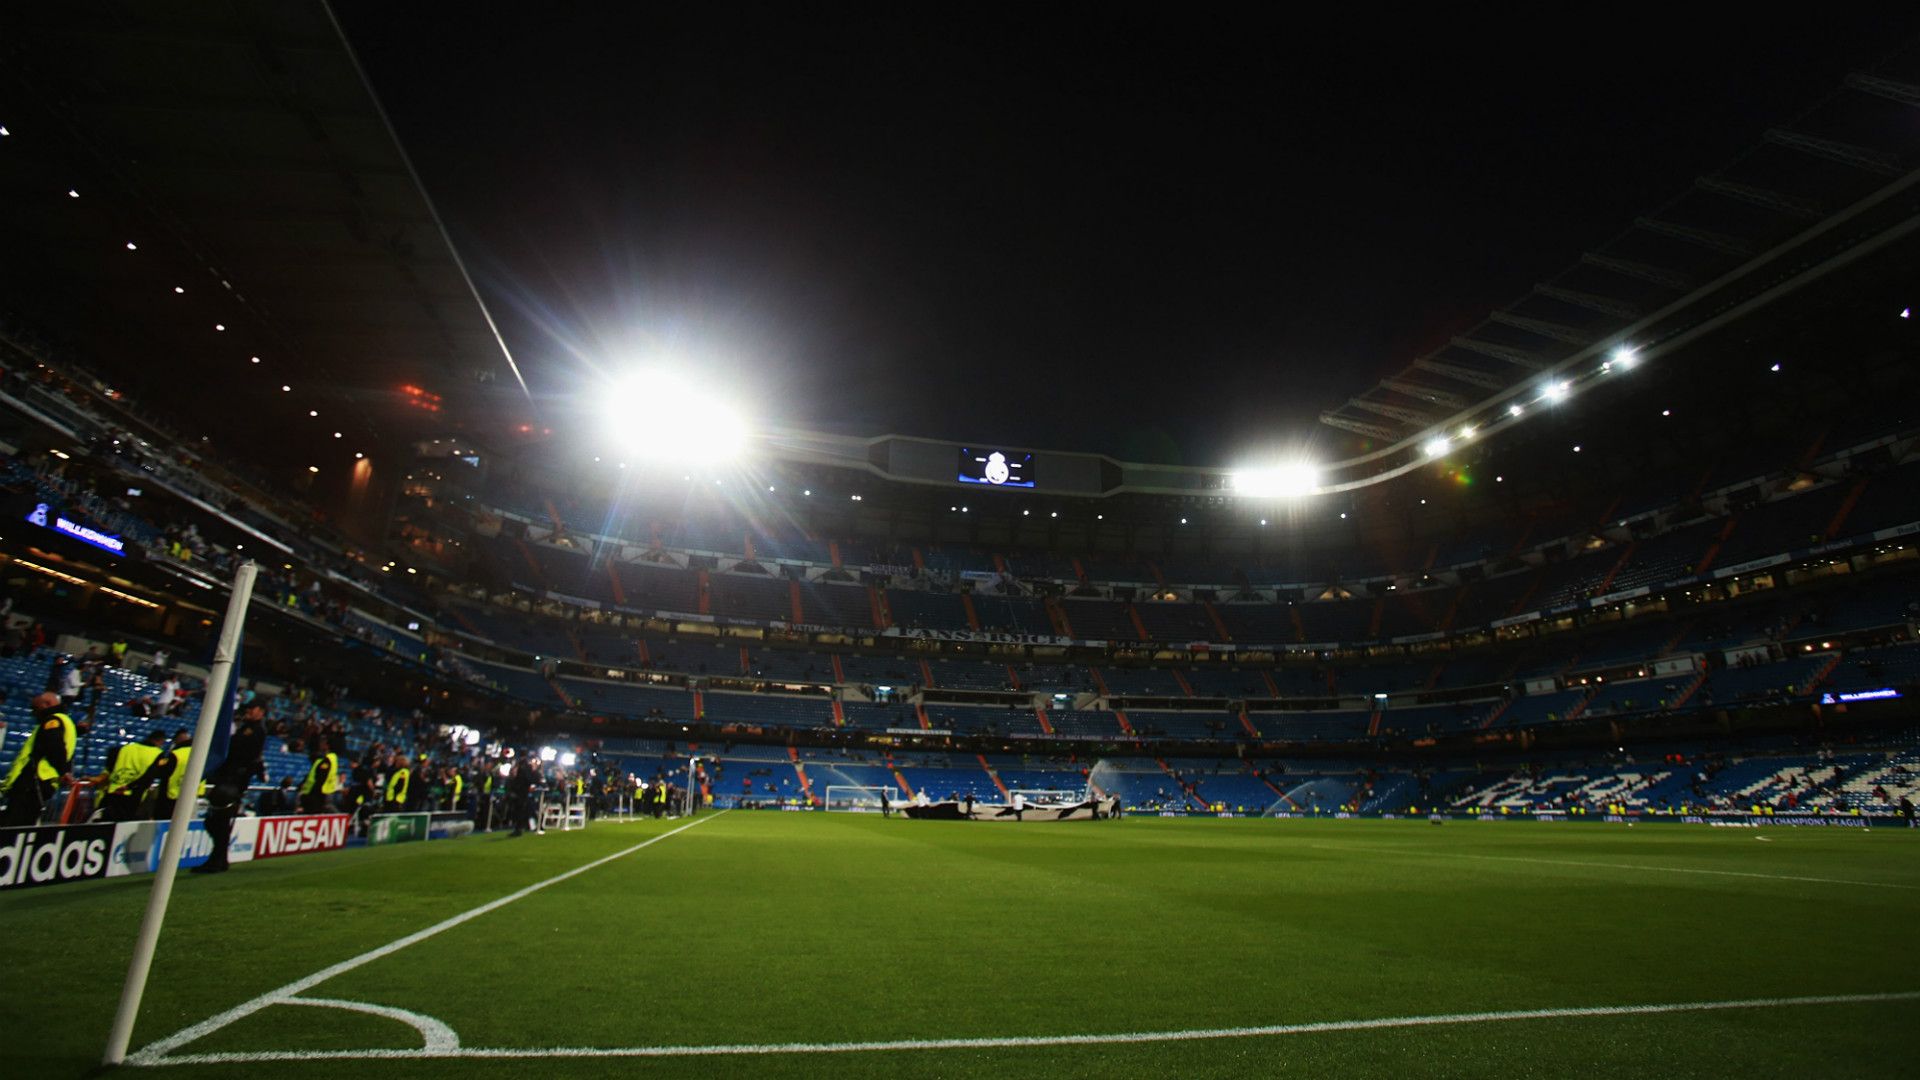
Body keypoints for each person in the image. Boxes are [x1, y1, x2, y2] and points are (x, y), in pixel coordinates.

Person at [194, 704, 267, 874]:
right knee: (217, 821)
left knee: (217, 820)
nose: (249, 711)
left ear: (261, 712)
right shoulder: (249, 728)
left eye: (253, 710)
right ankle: (219, 858)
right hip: (232, 777)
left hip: (235, 778)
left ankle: (217, 859)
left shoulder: (255, 730)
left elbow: (238, 748)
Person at [2, 692, 78, 826]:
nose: (34, 713)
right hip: (44, 782)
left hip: (34, 782)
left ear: (47, 704)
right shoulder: (66, 721)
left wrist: (64, 771)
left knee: (13, 825)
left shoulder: (52, 721)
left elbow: (54, 746)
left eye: (35, 708)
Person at [96, 728, 166, 822]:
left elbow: (111, 767)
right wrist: (129, 786)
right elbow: (148, 776)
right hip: (133, 796)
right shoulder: (157, 753)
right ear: (161, 741)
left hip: (113, 792)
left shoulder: (127, 748)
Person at [142, 731, 193, 821]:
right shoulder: (199, 753)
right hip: (189, 796)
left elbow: (161, 771)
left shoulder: (176, 754)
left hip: (169, 796)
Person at [299, 737, 341, 813]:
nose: (321, 745)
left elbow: (321, 777)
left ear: (327, 745)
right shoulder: (334, 758)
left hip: (318, 792)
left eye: (323, 743)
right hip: (326, 791)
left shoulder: (326, 759)